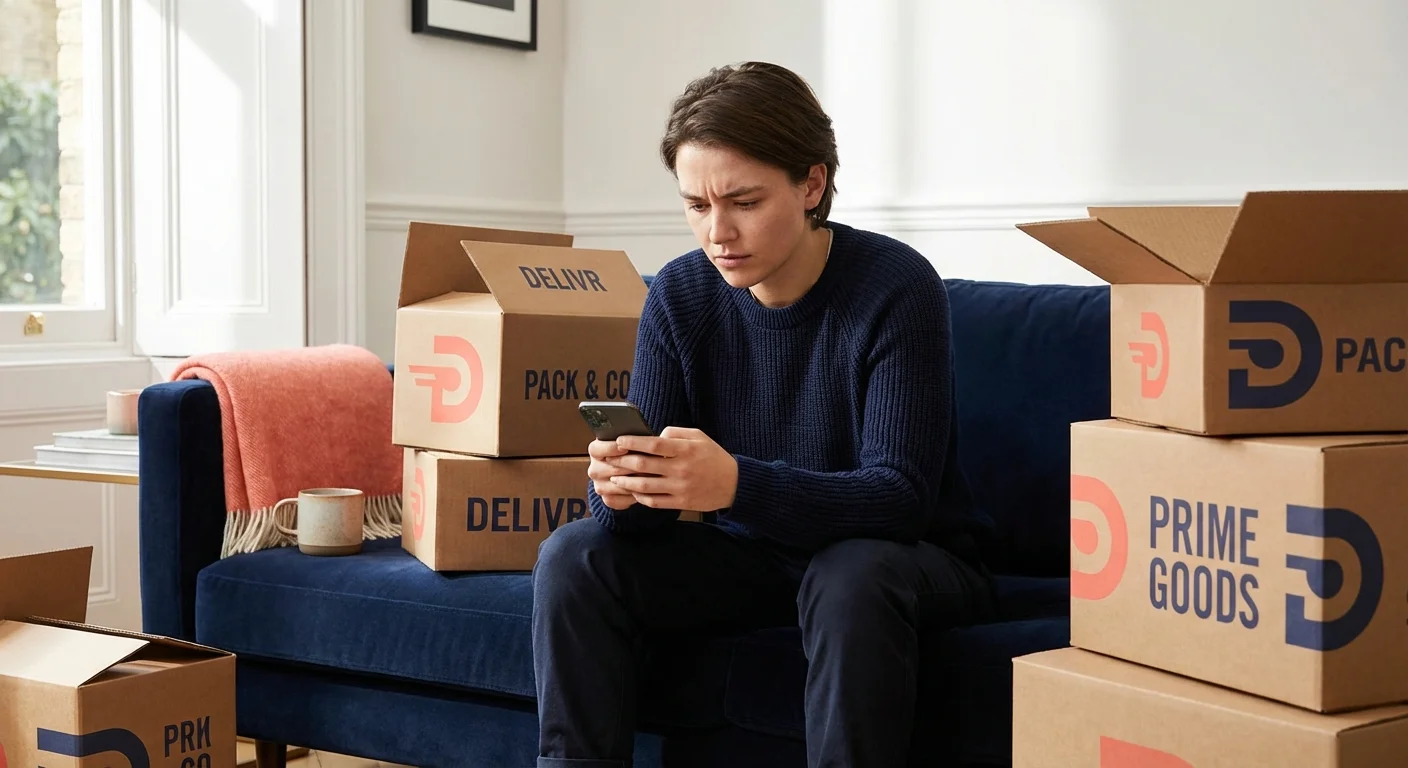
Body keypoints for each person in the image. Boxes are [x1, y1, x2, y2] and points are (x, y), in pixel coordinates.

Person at [531, 61, 996, 768]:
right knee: (574, 555)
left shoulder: (897, 286)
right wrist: (624, 489)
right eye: (696, 205)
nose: (717, 232)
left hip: (904, 560)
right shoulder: (680, 294)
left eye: (744, 202)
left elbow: (900, 498)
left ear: (811, 185)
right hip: (752, 560)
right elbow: (634, 526)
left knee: (848, 575)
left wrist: (735, 485)